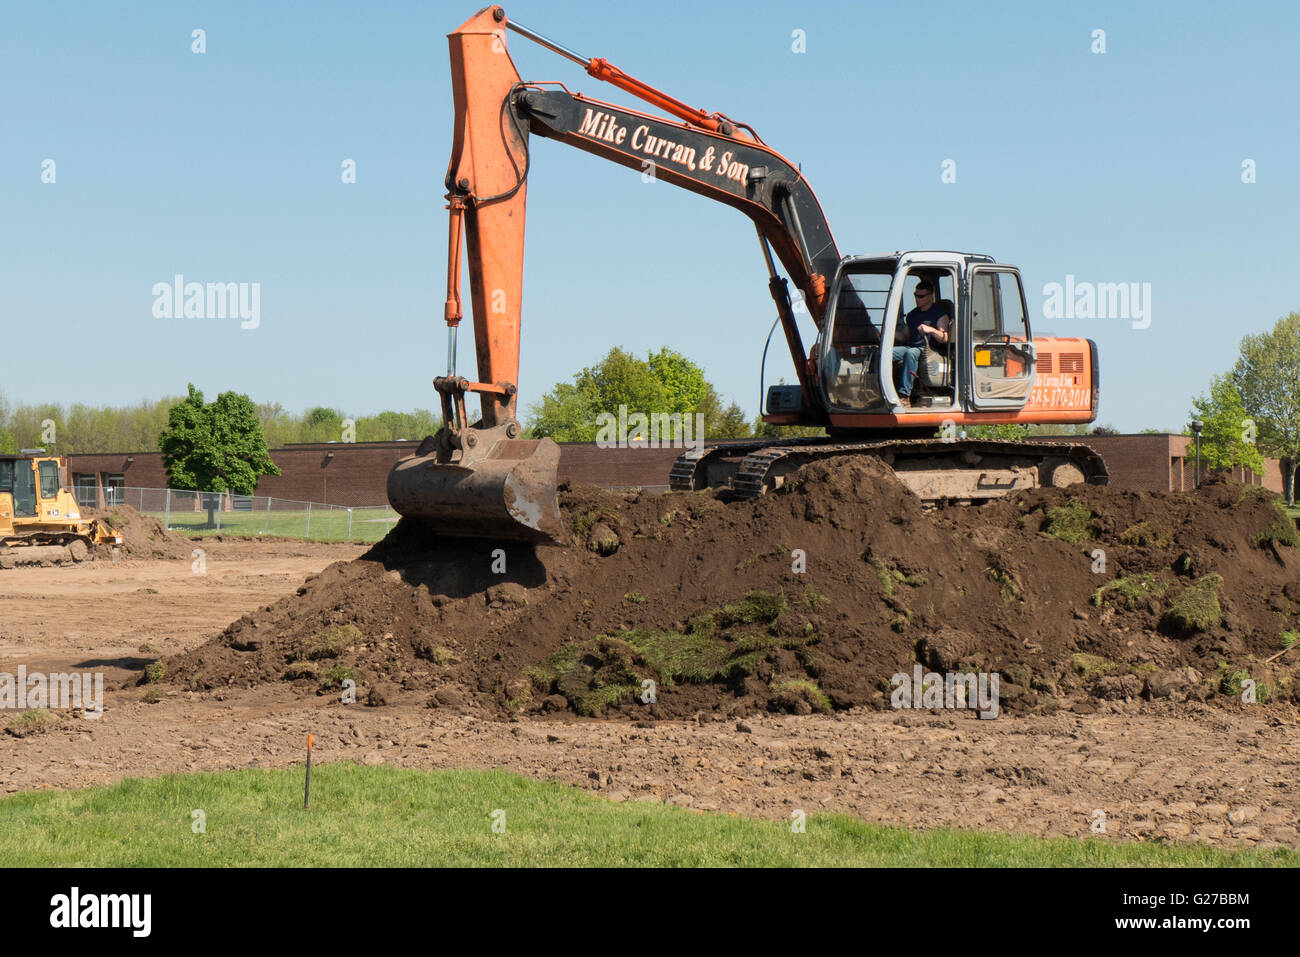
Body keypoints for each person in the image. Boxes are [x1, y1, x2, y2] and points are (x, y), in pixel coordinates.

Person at [893, 281, 951, 407]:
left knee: (910, 353)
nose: (917, 299)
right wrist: (889, 333)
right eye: (916, 295)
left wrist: (931, 329)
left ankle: (904, 395)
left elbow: (945, 337)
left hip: (929, 349)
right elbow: (904, 336)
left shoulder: (939, 313)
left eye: (921, 296)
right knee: (885, 354)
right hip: (913, 346)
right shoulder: (913, 314)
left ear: (930, 296)